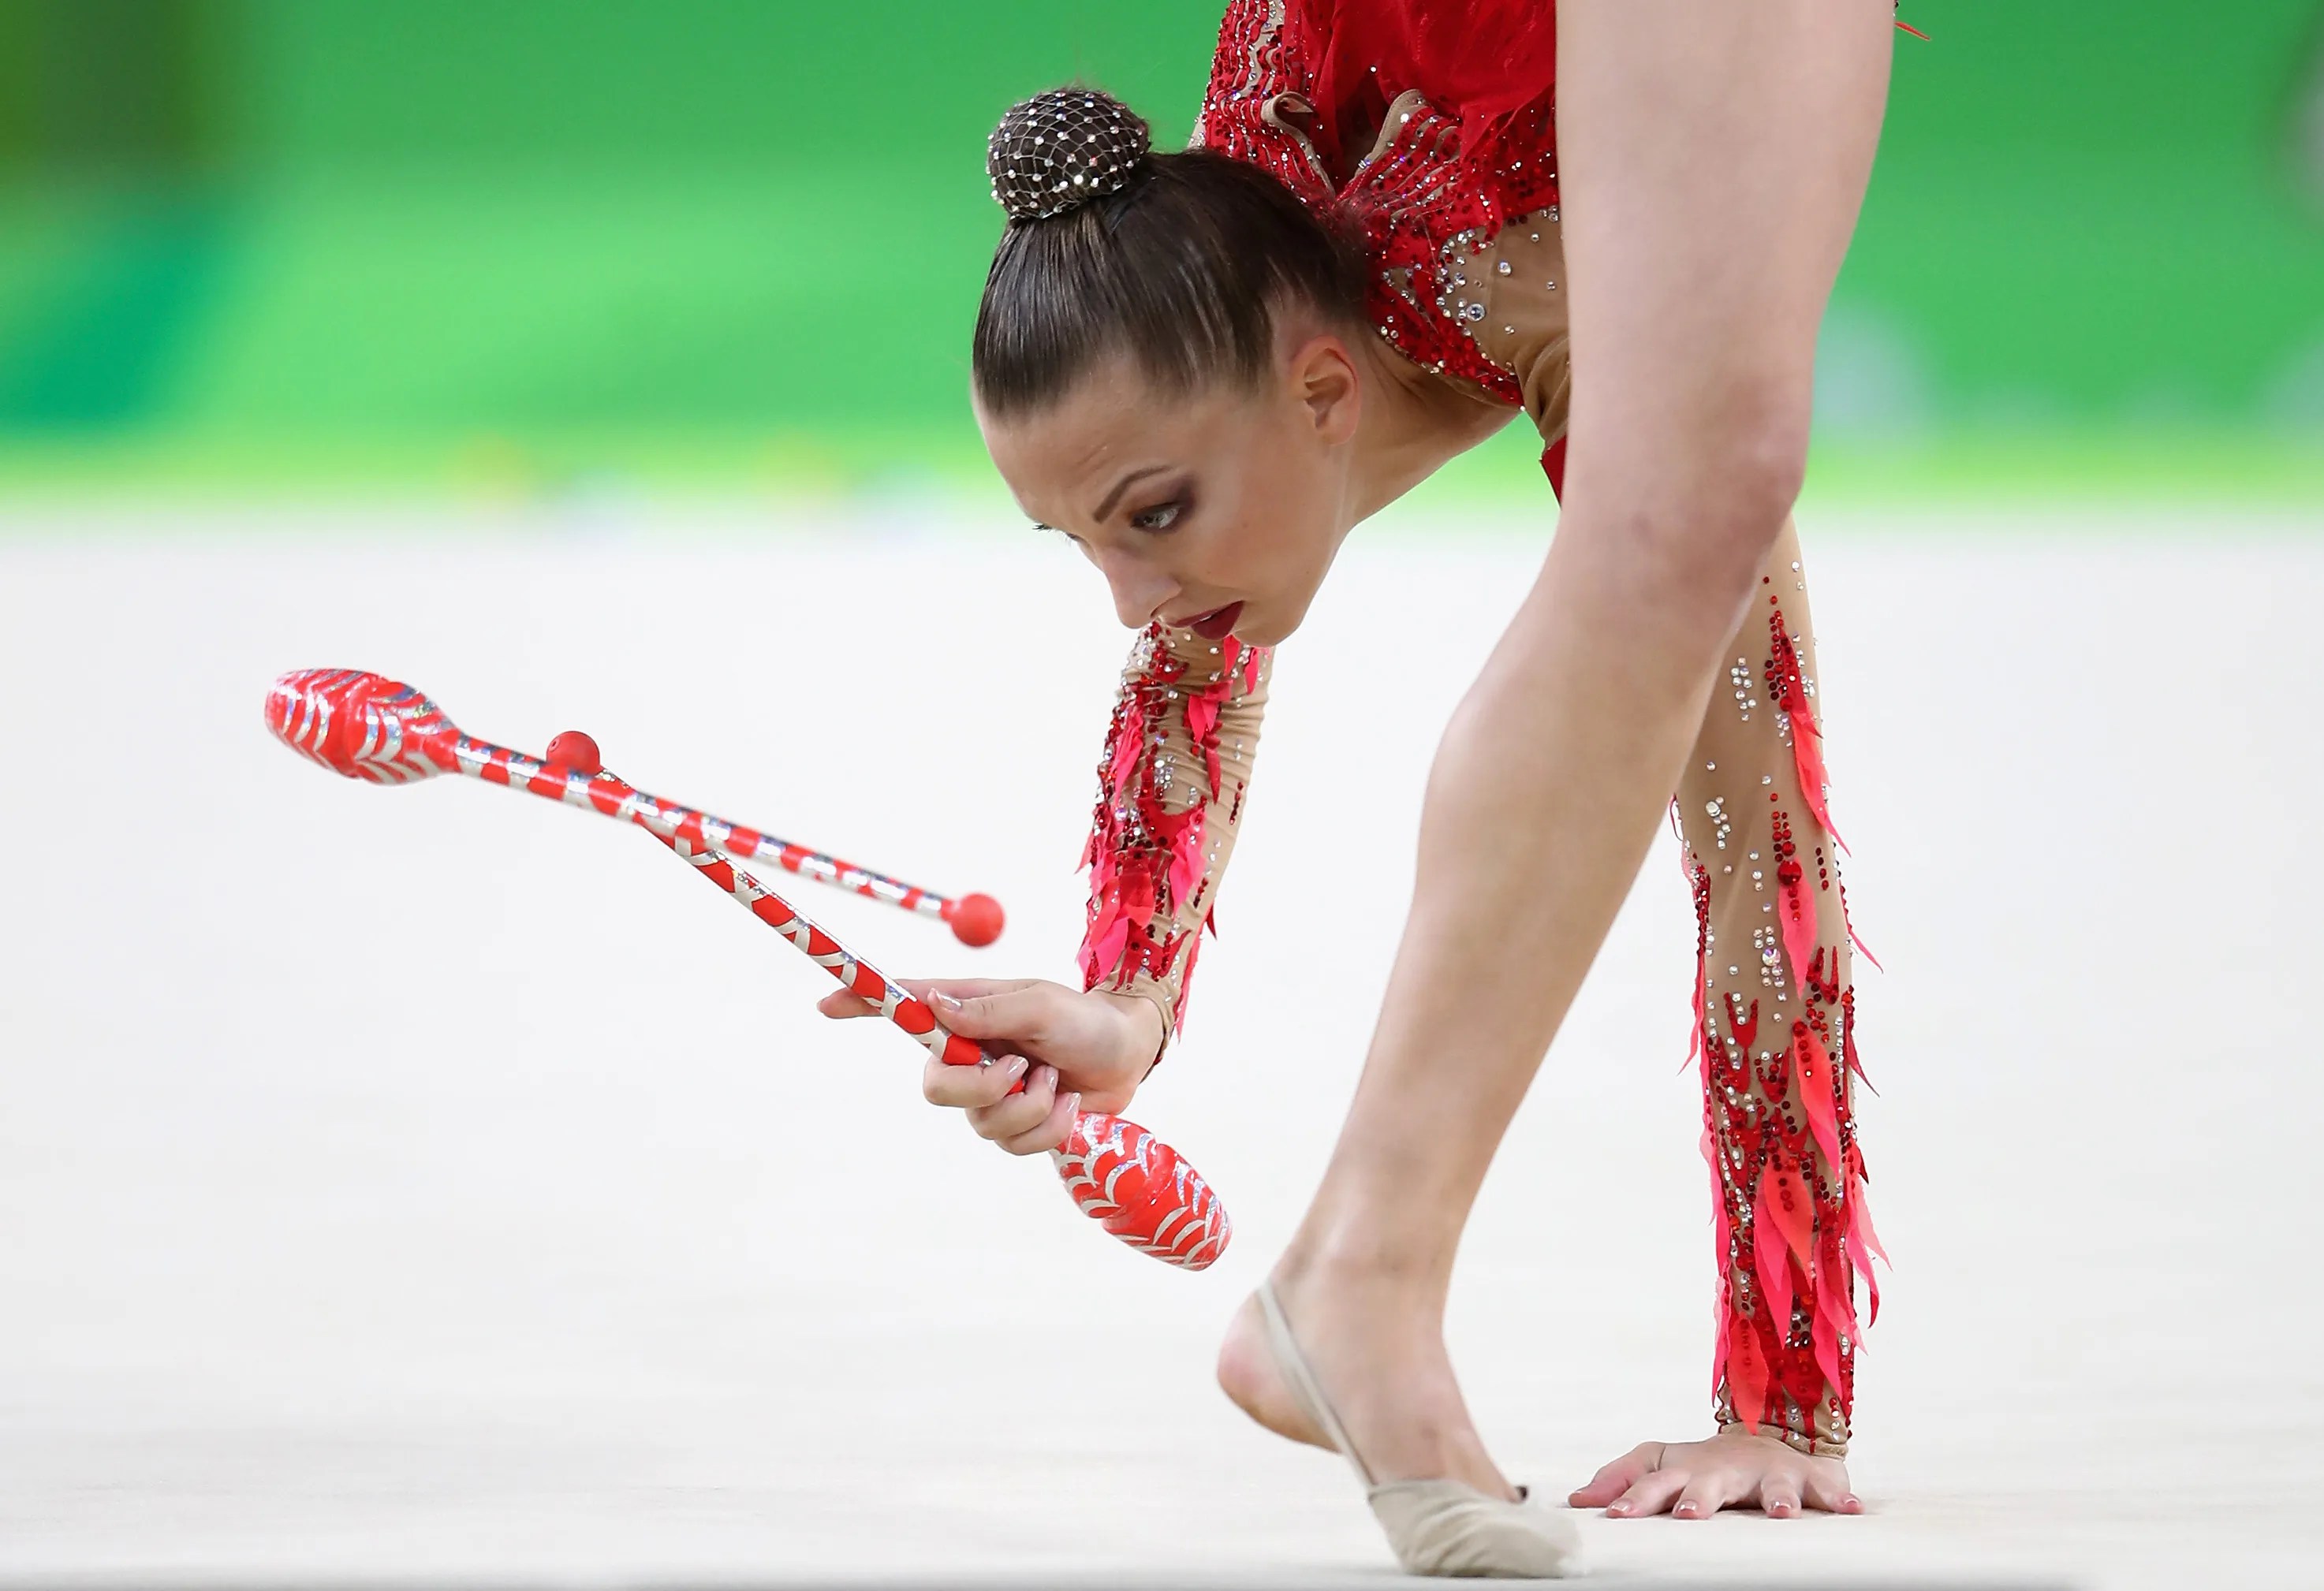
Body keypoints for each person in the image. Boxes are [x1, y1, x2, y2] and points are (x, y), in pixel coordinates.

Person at [820, 0, 1895, 1574]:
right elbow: (1192, 644)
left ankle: (1363, 1280)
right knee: (1684, 519)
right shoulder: (1240, 231)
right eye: (1087, 541)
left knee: (1689, 525)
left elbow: (1761, 847)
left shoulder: (1570, 307)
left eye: (1154, 516)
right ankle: (1363, 1282)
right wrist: (1125, 1002)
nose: (1131, 605)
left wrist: (1788, 1394)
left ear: (1324, 394)